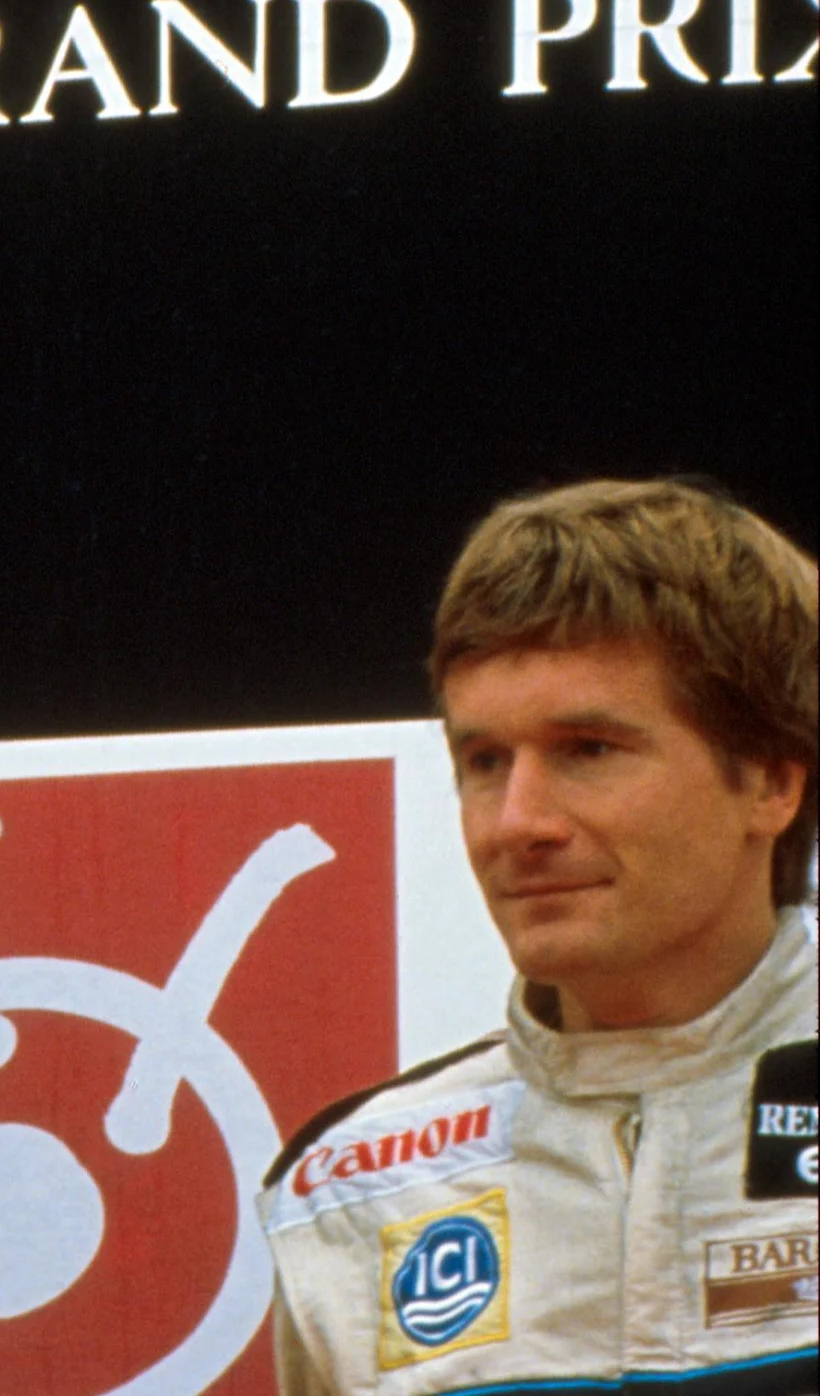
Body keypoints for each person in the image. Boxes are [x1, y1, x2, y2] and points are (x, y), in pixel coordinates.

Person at [260, 479, 816, 1393]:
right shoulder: (353, 1186)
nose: (517, 822)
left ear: (769, 783)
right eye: (485, 762)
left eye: (587, 750)